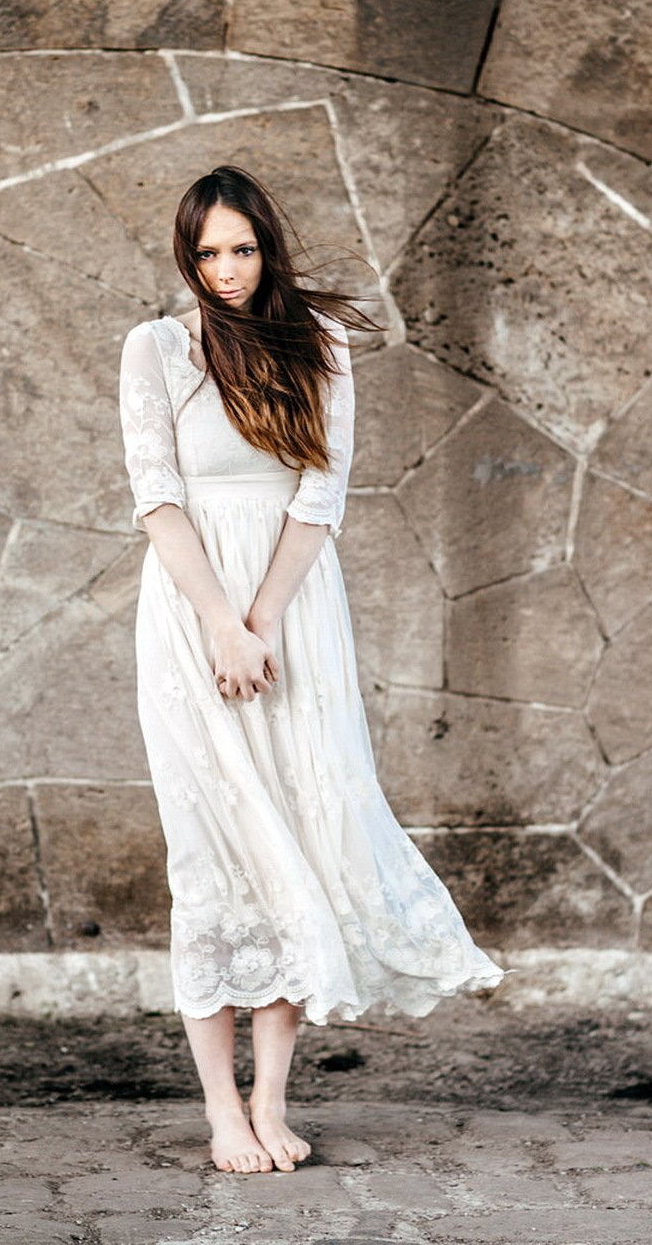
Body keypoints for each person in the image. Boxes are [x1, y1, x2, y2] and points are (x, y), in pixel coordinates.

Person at [117, 165, 507, 1176]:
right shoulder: (157, 350)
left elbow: (318, 498)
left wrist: (264, 622)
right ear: (187, 258)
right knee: (212, 851)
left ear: (267, 249)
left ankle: (274, 1099)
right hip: (190, 615)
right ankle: (219, 1113)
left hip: (293, 615)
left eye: (242, 248)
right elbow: (158, 501)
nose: (226, 268)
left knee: (300, 833)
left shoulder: (319, 345)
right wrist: (220, 624)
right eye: (207, 252)